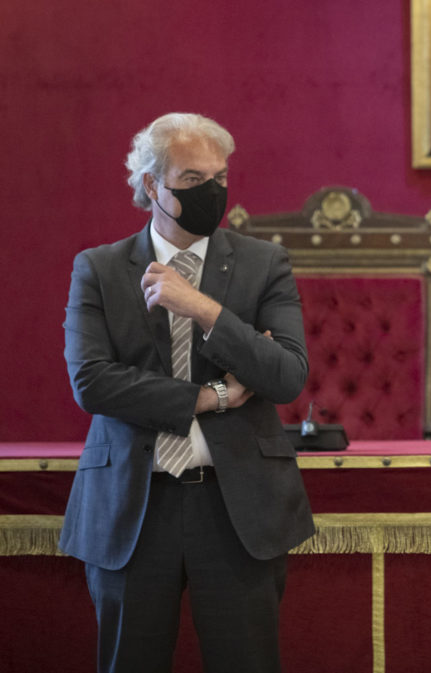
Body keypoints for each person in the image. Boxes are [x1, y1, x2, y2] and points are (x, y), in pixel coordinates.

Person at [61, 112, 315, 673]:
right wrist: (210, 398)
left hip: (236, 508)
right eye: (194, 181)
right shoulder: (99, 269)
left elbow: (286, 375)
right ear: (153, 185)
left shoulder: (262, 263)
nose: (213, 192)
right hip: (134, 505)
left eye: (220, 179)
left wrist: (202, 308)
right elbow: (92, 382)